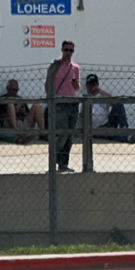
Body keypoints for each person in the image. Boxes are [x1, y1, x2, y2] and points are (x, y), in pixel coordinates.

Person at [78, 74, 135, 144]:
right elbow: (79, 111)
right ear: (86, 85)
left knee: (118, 103)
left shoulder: (102, 95)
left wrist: (100, 92)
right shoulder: (82, 96)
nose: (92, 87)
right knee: (110, 133)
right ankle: (128, 138)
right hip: (94, 128)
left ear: (97, 84)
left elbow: (114, 102)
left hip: (107, 123)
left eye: (94, 84)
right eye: (90, 84)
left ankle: (124, 127)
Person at [49, 39, 80, 172]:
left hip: (72, 102)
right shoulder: (54, 65)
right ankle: (53, 158)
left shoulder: (75, 67)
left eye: (71, 50)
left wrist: (75, 84)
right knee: (63, 134)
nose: (68, 53)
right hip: (60, 103)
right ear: (62, 50)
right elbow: (48, 83)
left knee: (70, 136)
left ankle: (63, 164)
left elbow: (77, 88)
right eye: (66, 50)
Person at [0, 78, 45, 144]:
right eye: (13, 90)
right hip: (11, 124)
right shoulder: (2, 99)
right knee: (10, 105)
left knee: (37, 106)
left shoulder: (20, 99)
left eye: (16, 90)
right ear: (7, 88)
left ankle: (43, 132)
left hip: (23, 122)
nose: (15, 92)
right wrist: (13, 110)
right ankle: (17, 132)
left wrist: (23, 111)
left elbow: (28, 113)